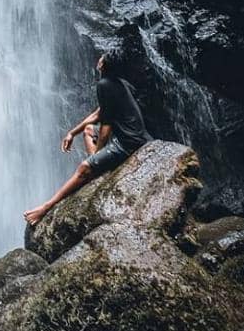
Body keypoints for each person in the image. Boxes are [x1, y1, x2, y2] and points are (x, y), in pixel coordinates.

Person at [23, 53, 151, 227]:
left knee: (84, 168)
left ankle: (44, 208)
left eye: (102, 58)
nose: (99, 59)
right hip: (133, 136)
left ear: (103, 65)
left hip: (128, 143)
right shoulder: (120, 82)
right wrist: (72, 133)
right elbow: (98, 114)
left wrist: (93, 159)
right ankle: (98, 169)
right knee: (89, 130)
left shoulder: (104, 84)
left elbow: (106, 129)